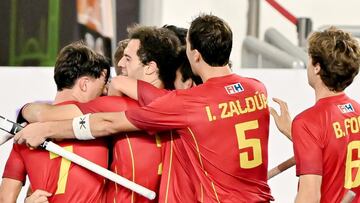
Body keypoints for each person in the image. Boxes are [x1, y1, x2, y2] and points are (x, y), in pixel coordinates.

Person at [15, 14, 274, 202]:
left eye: (127, 58)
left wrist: (32, 116)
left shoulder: (179, 105)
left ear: (195, 54)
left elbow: (58, 115)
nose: (121, 65)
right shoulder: (256, 88)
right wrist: (121, 82)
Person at [18, 25, 184, 203]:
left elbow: (44, 114)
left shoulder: (114, 105)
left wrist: (25, 111)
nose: (120, 64)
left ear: (150, 67)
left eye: (127, 58)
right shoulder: (183, 105)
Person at [0, 41, 111, 203]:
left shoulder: (26, 134)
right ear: (84, 84)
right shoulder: (103, 121)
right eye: (103, 85)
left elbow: (5, 199)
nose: (106, 91)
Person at [270, 27, 360, 202]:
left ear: (317, 67)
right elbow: (335, 150)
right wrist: (294, 133)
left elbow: (309, 196)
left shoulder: (308, 122)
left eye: (309, 58)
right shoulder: (357, 111)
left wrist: (301, 130)